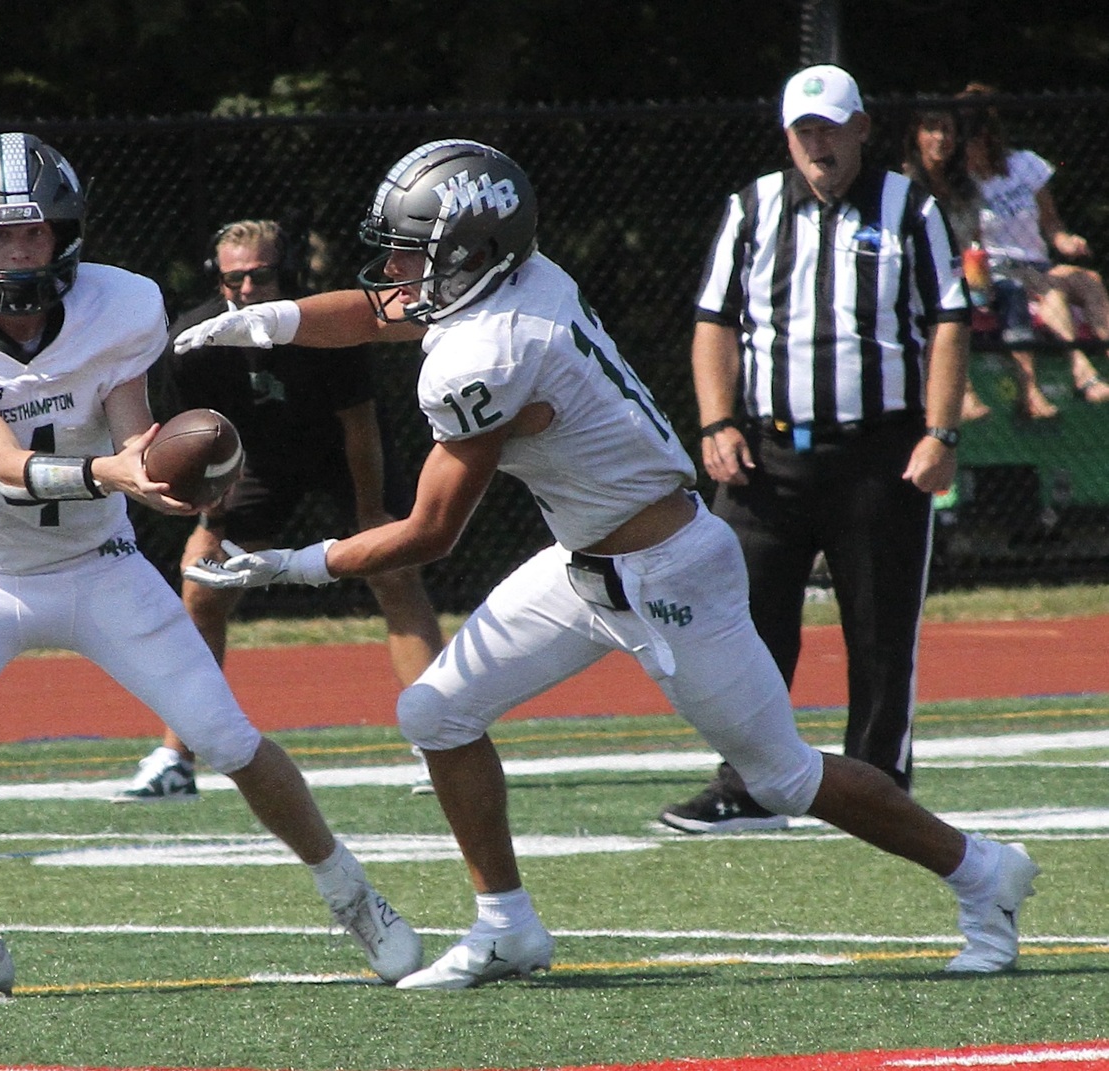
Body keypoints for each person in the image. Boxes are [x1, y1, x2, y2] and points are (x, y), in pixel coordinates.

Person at [174, 136, 1039, 988]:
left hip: (670, 573)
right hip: (586, 561)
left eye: (413, 251)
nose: (396, 270)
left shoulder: (493, 352)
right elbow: (381, 311)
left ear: (472, 254)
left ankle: (982, 873)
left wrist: (292, 563)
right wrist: (266, 321)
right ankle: (506, 923)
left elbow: (432, 530)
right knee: (435, 713)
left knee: (781, 777)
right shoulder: (519, 275)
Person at [0, 132, 421, 998]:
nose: (22, 250)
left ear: (65, 236)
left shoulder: (117, 304)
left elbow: (131, 420)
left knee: (228, 737)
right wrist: (110, 472)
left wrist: (154, 468)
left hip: (100, 564)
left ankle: (353, 892)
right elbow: (0, 463)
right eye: (5, 235)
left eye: (38, 232)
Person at [657, 65, 971, 833]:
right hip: (768, 457)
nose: (819, 144)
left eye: (832, 127)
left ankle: (877, 785)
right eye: (805, 130)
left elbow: (950, 321)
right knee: (745, 626)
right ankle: (750, 782)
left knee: (880, 627)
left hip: (880, 454)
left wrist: (941, 433)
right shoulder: (751, 208)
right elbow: (715, 322)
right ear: (788, 136)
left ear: (863, 127)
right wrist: (716, 422)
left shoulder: (910, 207)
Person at [116, 219, 444, 802]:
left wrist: (370, 514)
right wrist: (210, 524)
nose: (245, 289)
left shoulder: (323, 325)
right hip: (255, 461)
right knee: (203, 585)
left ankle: (437, 741)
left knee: (394, 574)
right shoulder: (195, 340)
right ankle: (175, 755)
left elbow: (359, 427)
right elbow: (204, 441)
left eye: (260, 275)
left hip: (341, 454)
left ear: (285, 271)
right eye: (233, 278)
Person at [960, 82, 1109, 418]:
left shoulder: (1025, 166)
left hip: (1039, 263)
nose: (974, 145)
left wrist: (1066, 241)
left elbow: (1052, 225)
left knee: (1088, 279)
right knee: (1050, 291)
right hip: (1000, 268)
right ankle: (1081, 371)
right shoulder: (963, 184)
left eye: (980, 136)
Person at [901, 106, 991, 423]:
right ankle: (962, 395)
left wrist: (981, 278)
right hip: (921, 281)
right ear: (917, 136)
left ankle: (1029, 391)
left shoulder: (968, 189)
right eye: (931, 129)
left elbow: (976, 242)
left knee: (1012, 296)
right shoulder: (902, 189)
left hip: (966, 276)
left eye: (947, 130)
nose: (940, 138)